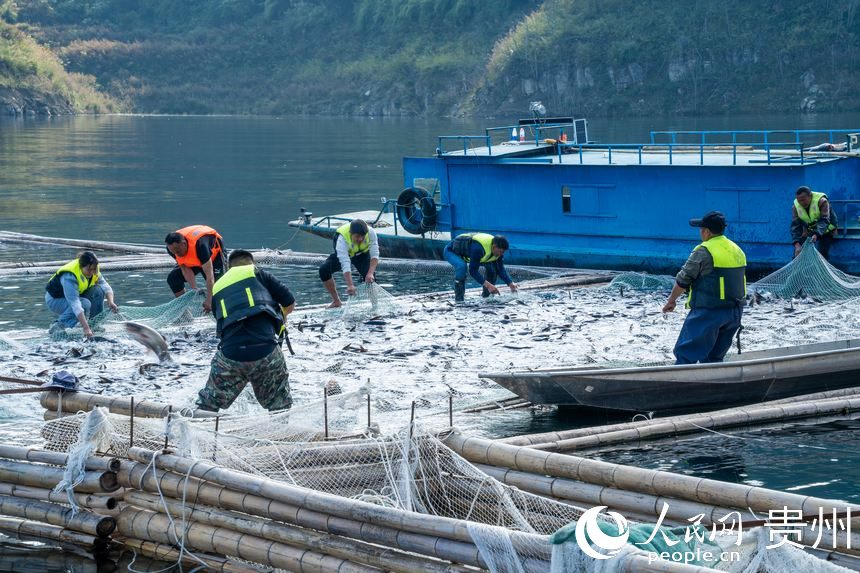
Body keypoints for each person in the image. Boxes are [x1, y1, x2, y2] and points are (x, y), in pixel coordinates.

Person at [196, 249, 295, 413]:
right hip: (266, 350)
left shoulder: (217, 286)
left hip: (230, 355)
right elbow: (289, 302)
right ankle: (280, 427)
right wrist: (280, 318)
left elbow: (221, 321)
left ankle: (200, 427)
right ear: (252, 262)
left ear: (229, 267)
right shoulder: (258, 273)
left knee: (207, 405)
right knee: (280, 405)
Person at [662, 211, 746, 365]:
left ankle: (679, 379)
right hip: (735, 312)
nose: (700, 232)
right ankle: (714, 379)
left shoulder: (704, 250)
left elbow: (683, 280)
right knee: (714, 358)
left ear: (707, 232)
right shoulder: (737, 250)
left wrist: (671, 301)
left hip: (709, 312)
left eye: (701, 229)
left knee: (686, 354)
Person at [45, 251, 118, 339]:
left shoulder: (93, 267)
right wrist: (86, 328)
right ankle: (58, 325)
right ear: (81, 266)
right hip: (55, 300)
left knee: (98, 291)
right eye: (89, 270)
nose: (92, 272)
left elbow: (105, 286)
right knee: (84, 304)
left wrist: (111, 302)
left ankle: (94, 325)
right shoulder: (69, 276)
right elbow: (75, 304)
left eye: (93, 269)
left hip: (77, 297)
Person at [318, 219, 379, 308]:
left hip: (362, 253)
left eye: (362, 236)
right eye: (357, 236)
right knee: (323, 270)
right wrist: (350, 285)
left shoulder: (371, 232)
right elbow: (345, 262)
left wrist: (370, 273)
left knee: (370, 278)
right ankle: (336, 301)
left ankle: (375, 306)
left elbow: (375, 254)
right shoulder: (341, 239)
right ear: (351, 233)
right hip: (347, 253)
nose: (360, 239)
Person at [164, 225, 225, 312]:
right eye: (174, 252)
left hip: (214, 256)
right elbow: (185, 268)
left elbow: (210, 276)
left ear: (184, 243)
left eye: (178, 251)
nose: (177, 254)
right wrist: (194, 288)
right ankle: (184, 312)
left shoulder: (201, 246)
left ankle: (222, 312)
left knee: (218, 286)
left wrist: (209, 299)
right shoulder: (172, 249)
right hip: (194, 259)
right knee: (173, 278)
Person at [443, 232, 518, 302]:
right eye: (501, 252)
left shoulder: (497, 251)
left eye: (503, 252)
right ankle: (459, 300)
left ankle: (487, 297)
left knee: (492, 270)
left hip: (472, 254)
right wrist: (488, 285)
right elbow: (473, 271)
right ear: (494, 247)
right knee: (462, 267)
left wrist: (510, 283)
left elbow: (500, 269)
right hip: (451, 251)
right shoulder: (478, 249)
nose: (501, 254)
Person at [791, 186, 838, 260]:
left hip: (827, 228)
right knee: (798, 251)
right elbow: (795, 225)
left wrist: (816, 234)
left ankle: (822, 264)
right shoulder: (795, 207)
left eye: (803, 200)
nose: (801, 203)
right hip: (812, 229)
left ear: (810, 196)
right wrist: (796, 244)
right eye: (799, 201)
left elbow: (825, 220)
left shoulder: (822, 201)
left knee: (822, 253)